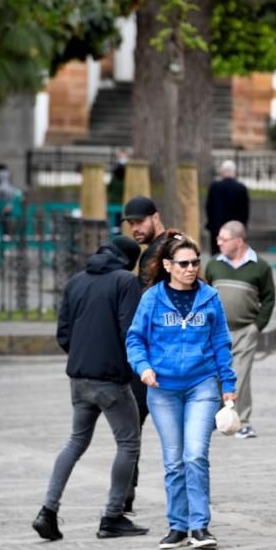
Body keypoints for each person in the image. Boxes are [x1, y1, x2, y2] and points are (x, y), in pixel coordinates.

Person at [127, 231, 237, 550]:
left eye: (195, 262)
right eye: (184, 263)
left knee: (195, 455)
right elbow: (135, 339)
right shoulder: (152, 298)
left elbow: (221, 343)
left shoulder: (209, 297)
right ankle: (177, 525)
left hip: (202, 385)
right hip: (163, 390)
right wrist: (143, 367)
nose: (191, 269)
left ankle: (199, 526)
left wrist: (228, 386)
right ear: (167, 265)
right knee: (174, 460)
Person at [32, 236, 148, 541]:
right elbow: (130, 331)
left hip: (79, 378)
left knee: (75, 442)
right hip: (111, 379)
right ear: (130, 260)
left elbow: (63, 333)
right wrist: (130, 367)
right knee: (128, 444)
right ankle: (112, 517)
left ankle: (48, 510)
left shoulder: (76, 281)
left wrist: (83, 356)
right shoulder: (126, 282)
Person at [205, 221, 275, 439]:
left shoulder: (260, 267)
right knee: (214, 374)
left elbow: (269, 299)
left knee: (240, 375)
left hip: (245, 330)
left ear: (239, 241)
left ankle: (242, 421)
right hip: (216, 331)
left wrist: (257, 326)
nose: (218, 243)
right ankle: (217, 417)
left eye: (223, 240)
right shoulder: (213, 265)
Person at [122, 195, 168, 514]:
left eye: (140, 222)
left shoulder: (163, 250)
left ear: (155, 217)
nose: (135, 229)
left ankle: (124, 496)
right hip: (154, 353)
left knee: (132, 429)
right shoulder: (159, 248)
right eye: (131, 224)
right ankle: (125, 494)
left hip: (158, 356)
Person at [205, 160, 250, 250]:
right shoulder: (241, 188)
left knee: (217, 253)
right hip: (235, 228)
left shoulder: (214, 186)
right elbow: (245, 210)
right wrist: (243, 226)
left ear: (222, 171)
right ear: (234, 172)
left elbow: (208, 207)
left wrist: (210, 222)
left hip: (217, 227)